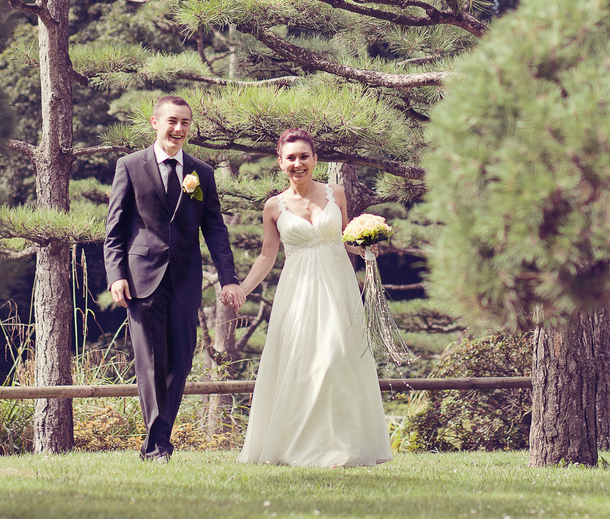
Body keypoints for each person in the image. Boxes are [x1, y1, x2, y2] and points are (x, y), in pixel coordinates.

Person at [233, 128, 393, 467]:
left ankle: (341, 447)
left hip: (337, 287)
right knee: (303, 366)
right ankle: (300, 445)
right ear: (280, 163)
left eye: (304, 156)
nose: (298, 163)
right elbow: (266, 256)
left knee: (335, 359)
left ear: (315, 159)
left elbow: (344, 238)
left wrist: (365, 243)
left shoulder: (335, 193)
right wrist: (243, 289)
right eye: (290, 158)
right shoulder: (274, 207)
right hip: (299, 292)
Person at [104, 95, 241, 461]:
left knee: (179, 364)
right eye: (172, 121)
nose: (178, 129)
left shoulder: (202, 173)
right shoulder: (130, 166)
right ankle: (158, 446)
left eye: (185, 123)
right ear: (155, 122)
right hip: (140, 279)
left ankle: (157, 441)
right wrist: (116, 274)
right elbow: (114, 228)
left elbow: (215, 230)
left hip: (185, 280)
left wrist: (228, 278)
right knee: (150, 362)